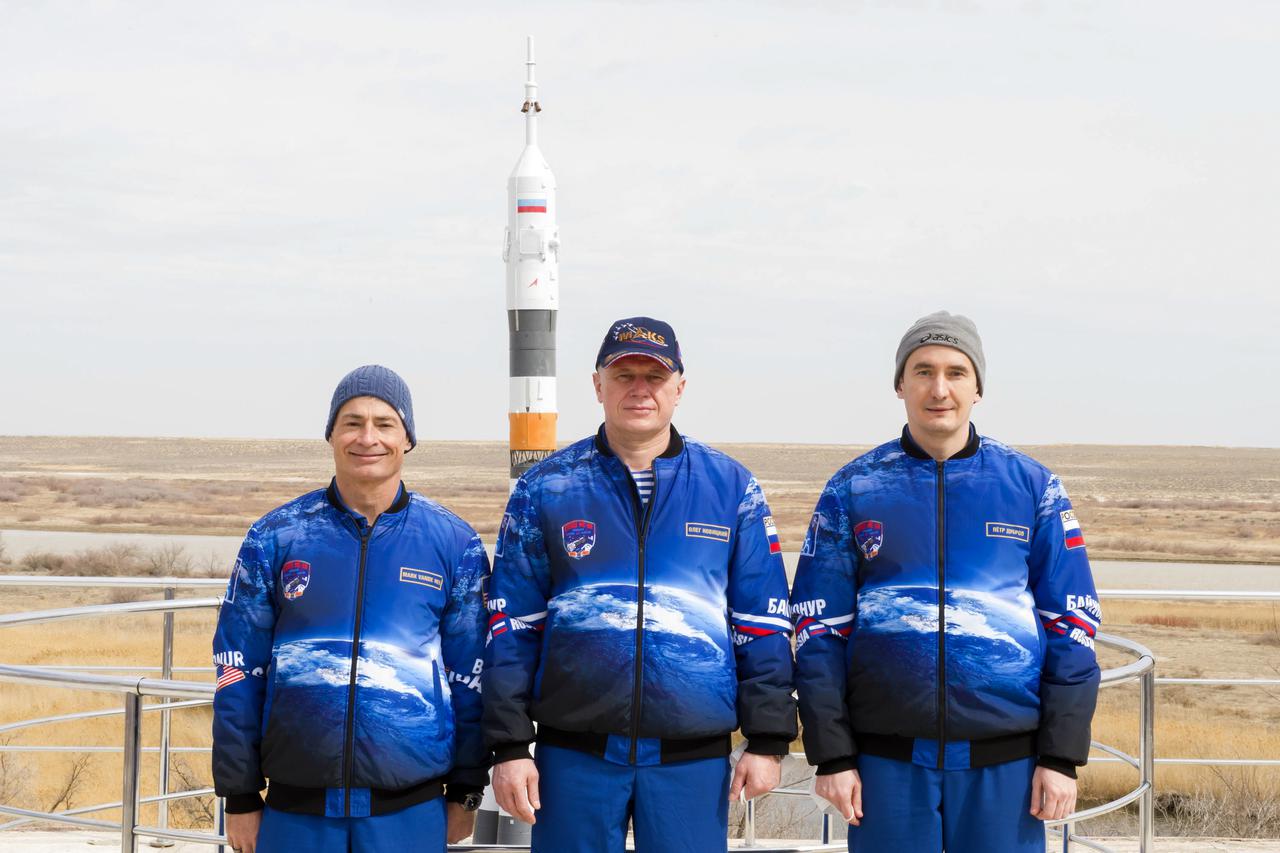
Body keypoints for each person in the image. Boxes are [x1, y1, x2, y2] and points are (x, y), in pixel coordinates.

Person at [483, 317, 798, 853]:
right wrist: (509, 747)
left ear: (679, 386)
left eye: (654, 376)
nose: (639, 388)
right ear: (597, 384)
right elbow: (511, 625)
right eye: (623, 373)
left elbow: (762, 621)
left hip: (691, 761)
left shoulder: (731, 487)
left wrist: (767, 741)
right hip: (573, 759)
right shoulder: (546, 488)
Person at [791, 311, 1101, 852]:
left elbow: (1072, 624)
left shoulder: (1032, 488)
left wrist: (1060, 756)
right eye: (923, 371)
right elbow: (817, 631)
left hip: (1007, 765)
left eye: (956, 372)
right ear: (900, 385)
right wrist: (832, 755)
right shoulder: (853, 488)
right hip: (885, 766)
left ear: (978, 386)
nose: (940, 389)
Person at [212, 365, 489, 853]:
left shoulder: (454, 543)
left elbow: (470, 678)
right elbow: (237, 672)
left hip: (411, 810)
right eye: (352, 422)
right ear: (331, 435)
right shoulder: (275, 537)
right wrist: (239, 795)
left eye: (385, 424)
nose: (368, 438)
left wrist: (467, 790)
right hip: (295, 812)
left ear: (407, 439)